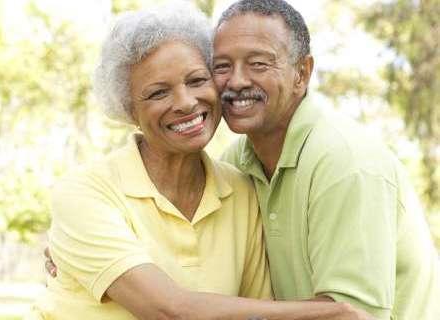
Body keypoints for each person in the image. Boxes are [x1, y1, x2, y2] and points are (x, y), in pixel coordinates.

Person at [29, 2, 371, 320]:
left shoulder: (240, 190)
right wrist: (330, 313)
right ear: (129, 109)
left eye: (197, 80)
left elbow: (256, 312)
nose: (186, 102)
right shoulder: (86, 193)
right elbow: (169, 310)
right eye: (158, 93)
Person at [212, 0, 440, 319]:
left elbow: (350, 316)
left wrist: (193, 308)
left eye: (258, 64)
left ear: (302, 73)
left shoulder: (346, 162)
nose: (236, 81)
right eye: (222, 66)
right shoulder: (235, 161)